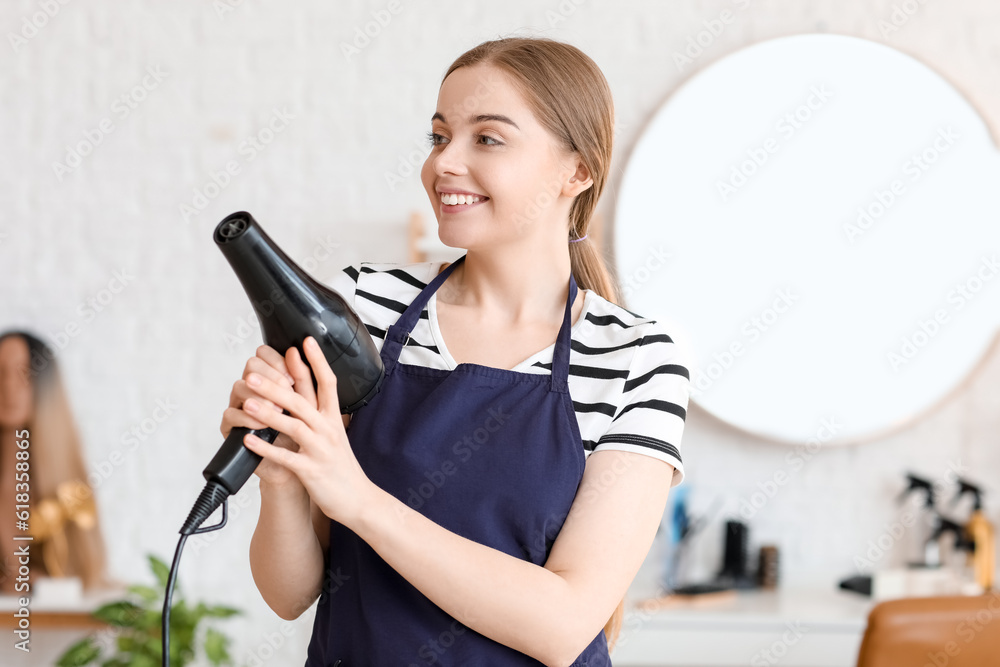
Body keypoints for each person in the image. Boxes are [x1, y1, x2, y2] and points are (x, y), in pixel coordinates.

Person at [220, 36, 690, 666]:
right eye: (439, 137)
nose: (444, 163)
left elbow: (562, 626)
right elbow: (290, 593)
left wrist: (355, 495)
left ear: (577, 170)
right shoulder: (372, 308)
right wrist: (281, 478)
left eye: (487, 139)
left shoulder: (635, 359)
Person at [0, 330, 110, 595]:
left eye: (24, 374)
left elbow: (87, 573)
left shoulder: (68, 487)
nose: (9, 387)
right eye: (0, 373)